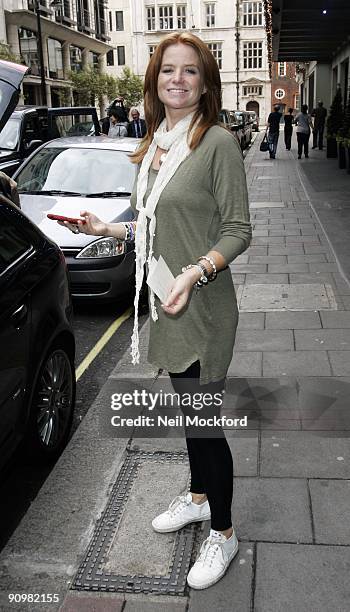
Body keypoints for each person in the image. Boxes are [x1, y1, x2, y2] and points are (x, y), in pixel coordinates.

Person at [58, 32, 251, 590]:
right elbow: (152, 225)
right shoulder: (157, 141)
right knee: (190, 413)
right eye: (169, 70)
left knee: (205, 423)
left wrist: (197, 271)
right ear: (155, 80)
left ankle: (225, 530)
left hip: (204, 303)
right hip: (168, 300)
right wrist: (106, 229)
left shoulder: (215, 143)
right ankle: (196, 498)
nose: (178, 79)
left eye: (191, 71)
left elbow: (239, 230)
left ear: (205, 83)